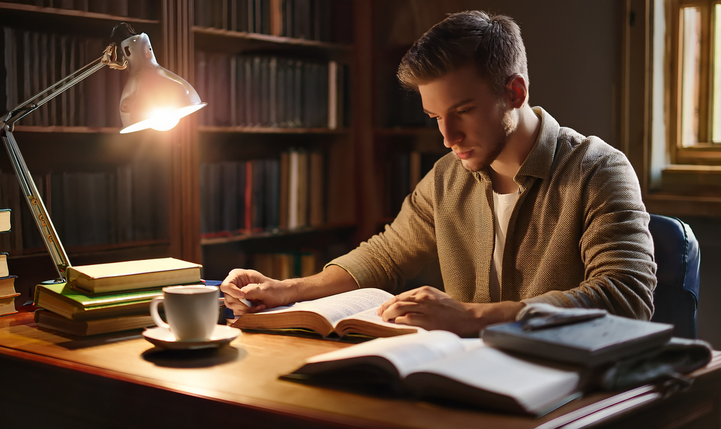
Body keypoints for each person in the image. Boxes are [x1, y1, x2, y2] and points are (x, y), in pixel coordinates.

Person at [221, 10, 657, 337]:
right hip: (465, 382)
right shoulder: (448, 176)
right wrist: (289, 289)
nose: (448, 136)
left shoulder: (599, 170)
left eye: (463, 111)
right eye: (435, 116)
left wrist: (471, 317)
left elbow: (625, 297)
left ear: (515, 92)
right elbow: (386, 255)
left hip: (569, 392)